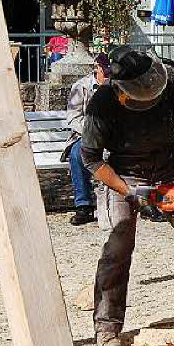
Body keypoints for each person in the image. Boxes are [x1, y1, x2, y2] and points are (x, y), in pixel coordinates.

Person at [81, 46, 174, 346]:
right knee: (118, 243)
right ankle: (107, 326)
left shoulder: (172, 83)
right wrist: (128, 191)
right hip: (124, 172)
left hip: (170, 167)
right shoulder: (103, 102)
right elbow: (92, 160)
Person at [63, 54, 110, 226]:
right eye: (105, 71)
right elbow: (73, 118)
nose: (108, 76)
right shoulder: (81, 87)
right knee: (77, 153)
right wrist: (91, 133)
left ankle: (140, 200)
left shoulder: (119, 86)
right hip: (85, 135)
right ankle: (83, 205)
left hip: (114, 136)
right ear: (97, 68)